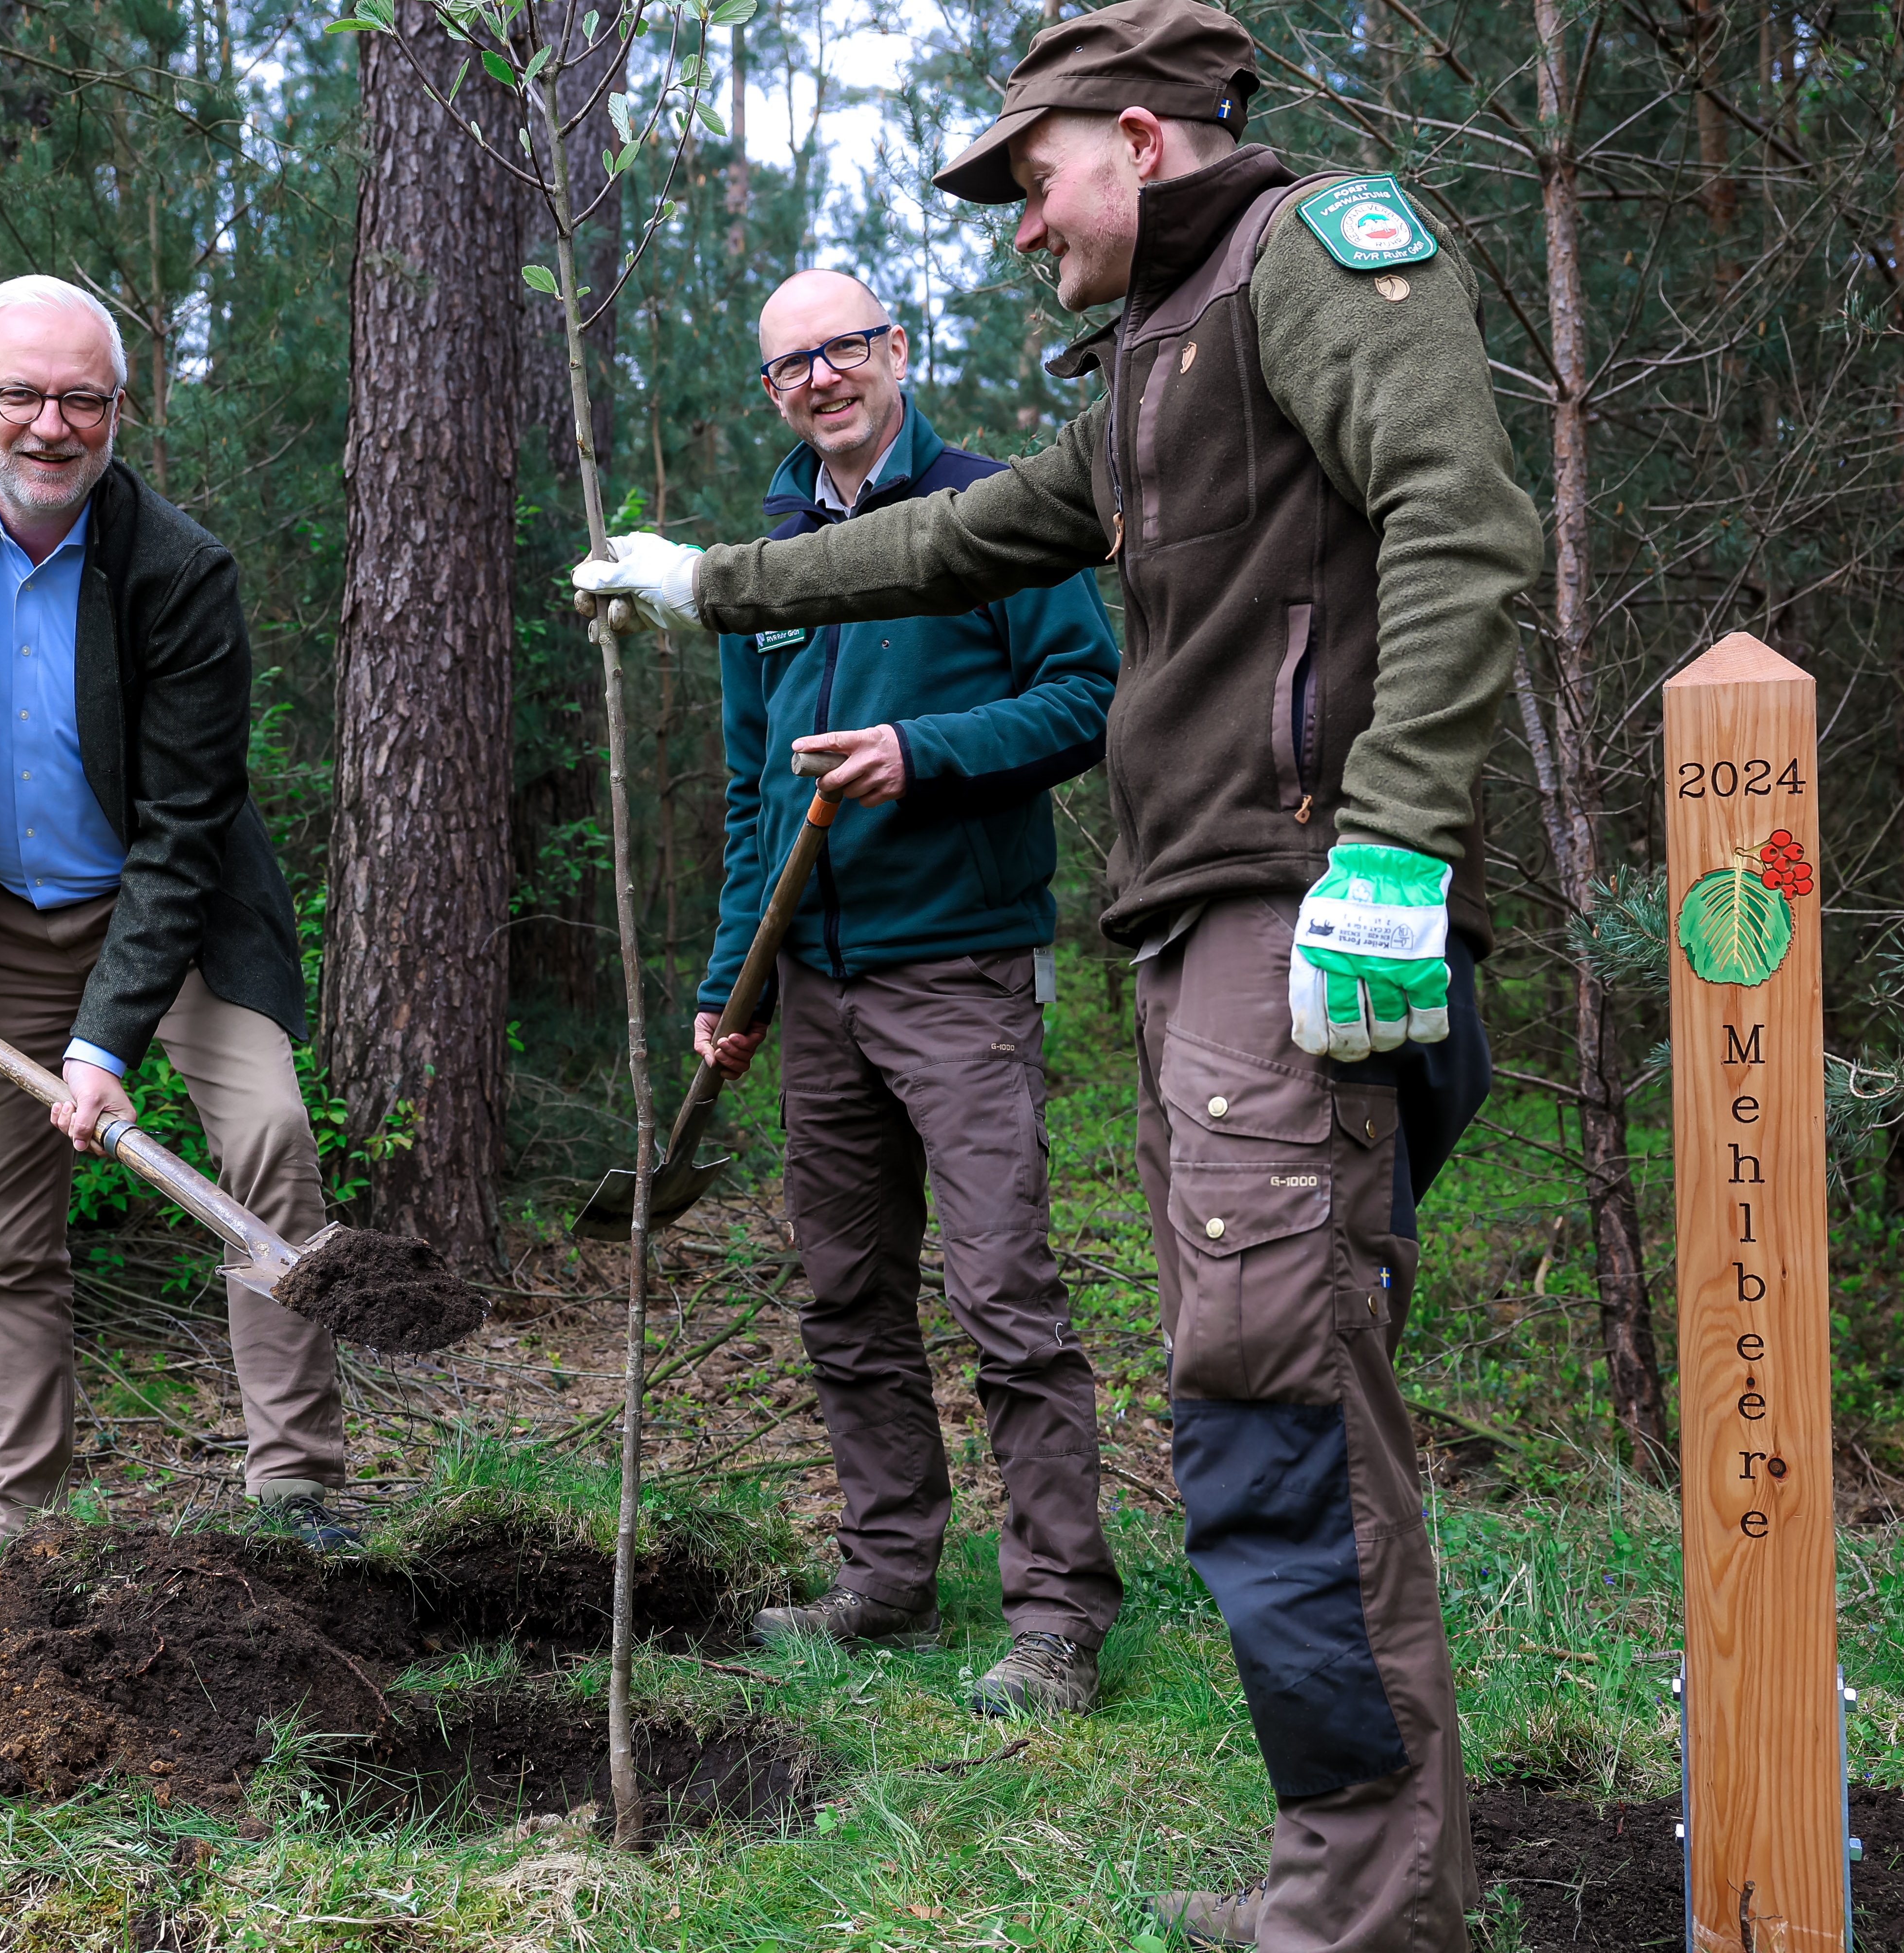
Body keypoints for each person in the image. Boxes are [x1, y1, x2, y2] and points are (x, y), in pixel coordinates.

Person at [574, 2, 1537, 1946]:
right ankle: (1350, 1873)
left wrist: (1393, 846)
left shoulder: (1317, 260)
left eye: (1033, 178)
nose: (1021, 225)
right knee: (1262, 1396)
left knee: (1272, 1399)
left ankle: (1358, 1914)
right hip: (1211, 935)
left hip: (1299, 909)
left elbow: (1465, 517)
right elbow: (957, 541)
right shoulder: (1156, 364)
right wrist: (712, 584)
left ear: (1143, 135)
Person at [0, 274, 354, 1574]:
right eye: (23, 396)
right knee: (4, 1232)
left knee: (269, 1148)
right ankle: (22, 1528)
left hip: (170, 918)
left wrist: (106, 1043)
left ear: (123, 411)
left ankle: (296, 1493)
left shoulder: (177, 571)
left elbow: (181, 833)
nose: (51, 426)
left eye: (83, 400)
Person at [708, 270, 1122, 1717]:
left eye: (842, 350)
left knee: (1006, 1295)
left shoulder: (997, 509)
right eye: (788, 366)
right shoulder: (765, 556)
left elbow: (1091, 694)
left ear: (894, 351)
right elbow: (754, 793)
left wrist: (922, 750)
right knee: (845, 1298)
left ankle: (1060, 1617)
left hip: (958, 974)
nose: (819, 379)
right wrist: (730, 983)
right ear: (772, 392)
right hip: (811, 983)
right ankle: (887, 1578)